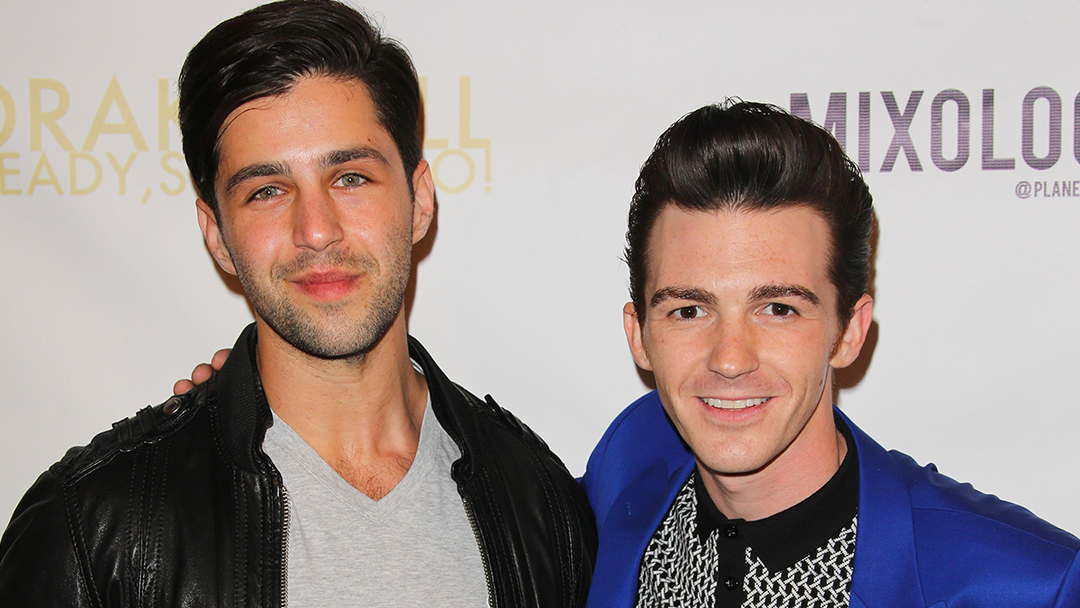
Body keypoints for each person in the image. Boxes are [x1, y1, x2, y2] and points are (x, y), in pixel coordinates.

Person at [0, 1, 595, 606]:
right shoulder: (93, 531)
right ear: (217, 235)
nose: (316, 230)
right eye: (267, 191)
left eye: (351, 178)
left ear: (419, 201)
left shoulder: (542, 506)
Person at [580, 100, 1080, 607]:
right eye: (689, 311)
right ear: (639, 335)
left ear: (849, 332)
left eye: (778, 309)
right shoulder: (623, 474)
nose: (729, 360)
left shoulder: (1030, 587)